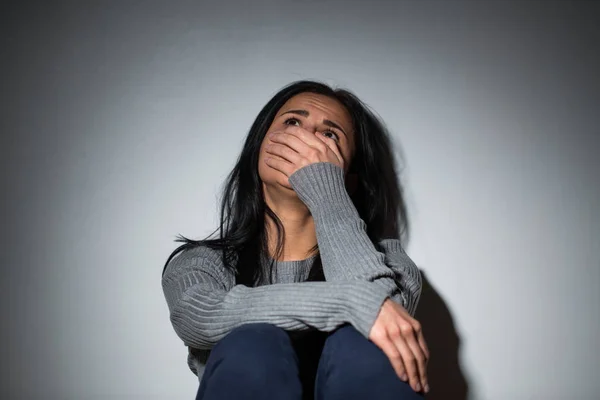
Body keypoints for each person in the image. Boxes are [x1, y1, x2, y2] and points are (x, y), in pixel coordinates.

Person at [161, 80, 429, 400]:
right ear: (260, 147)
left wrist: (324, 187)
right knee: (251, 343)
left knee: (363, 346)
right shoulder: (202, 262)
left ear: (350, 177)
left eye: (329, 135)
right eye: (292, 123)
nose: (305, 141)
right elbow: (199, 317)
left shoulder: (392, 263)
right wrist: (349, 300)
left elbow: (387, 323)